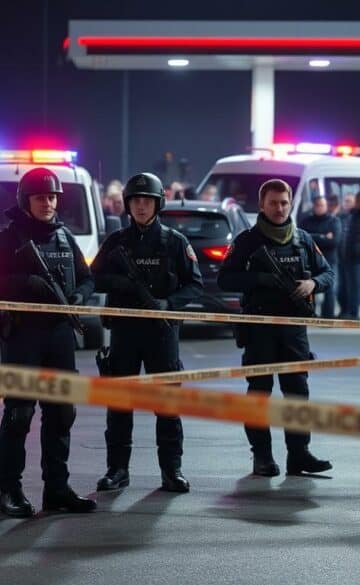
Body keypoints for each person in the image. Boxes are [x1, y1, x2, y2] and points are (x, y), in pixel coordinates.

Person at [0, 167, 96, 517]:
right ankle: (10, 491)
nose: (48, 203)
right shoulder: (7, 239)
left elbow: (88, 278)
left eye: (53, 197)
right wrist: (26, 282)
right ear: (25, 200)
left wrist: (78, 297)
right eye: (41, 197)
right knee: (19, 413)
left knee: (61, 413)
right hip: (23, 335)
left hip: (59, 335)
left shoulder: (64, 237)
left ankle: (57, 489)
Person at [90, 172, 203, 493]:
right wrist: (120, 283)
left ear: (157, 204)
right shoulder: (116, 242)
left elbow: (194, 285)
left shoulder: (175, 242)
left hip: (161, 333)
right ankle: (117, 470)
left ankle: (172, 471)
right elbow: (93, 278)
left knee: (166, 404)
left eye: (147, 201)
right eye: (136, 201)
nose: (141, 207)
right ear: (128, 204)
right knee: (120, 403)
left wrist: (169, 303)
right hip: (125, 332)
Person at [218, 178, 335, 477]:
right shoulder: (247, 241)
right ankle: (262, 457)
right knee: (259, 392)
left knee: (297, 393)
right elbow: (225, 279)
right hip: (259, 328)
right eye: (273, 203)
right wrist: (259, 279)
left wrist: (313, 283)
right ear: (262, 205)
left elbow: (327, 273)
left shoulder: (303, 239)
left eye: (284, 203)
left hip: (294, 329)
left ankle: (299, 454)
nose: (280, 208)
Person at [298, 195, 343, 318]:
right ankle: (309, 313)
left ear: (326, 206)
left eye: (322, 205)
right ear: (314, 206)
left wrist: (312, 237)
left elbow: (334, 241)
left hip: (329, 260)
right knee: (309, 287)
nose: (319, 207)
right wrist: (322, 236)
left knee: (330, 289)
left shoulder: (334, 221)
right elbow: (300, 238)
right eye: (317, 205)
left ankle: (328, 316)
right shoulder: (306, 220)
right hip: (310, 259)